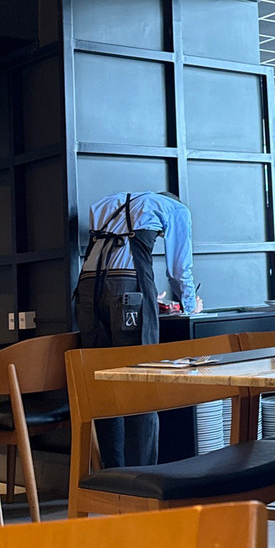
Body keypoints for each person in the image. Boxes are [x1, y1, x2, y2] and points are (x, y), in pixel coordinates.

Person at [74, 191, 202, 468]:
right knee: (141, 383)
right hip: (129, 290)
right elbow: (179, 268)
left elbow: (110, 258)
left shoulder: (106, 203)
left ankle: (113, 475)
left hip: (87, 291)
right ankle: (141, 476)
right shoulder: (175, 208)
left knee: (104, 384)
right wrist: (191, 304)